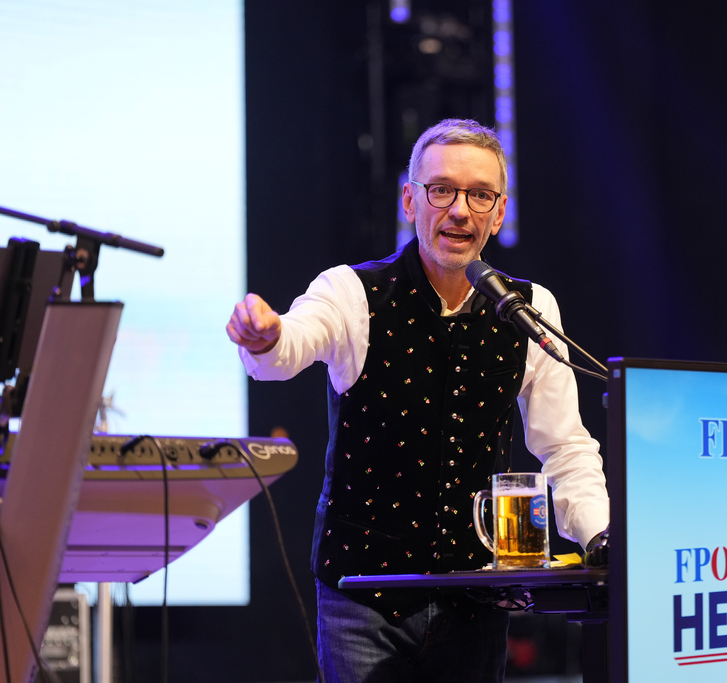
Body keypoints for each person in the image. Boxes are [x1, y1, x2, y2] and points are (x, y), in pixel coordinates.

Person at [226, 119, 609, 683]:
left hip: (475, 601)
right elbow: (292, 342)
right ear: (410, 200)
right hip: (364, 599)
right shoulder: (352, 292)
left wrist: (599, 536)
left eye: (480, 195)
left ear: (499, 212)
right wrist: (266, 335)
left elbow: (566, 446)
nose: (460, 210)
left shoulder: (529, 308)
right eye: (442, 190)